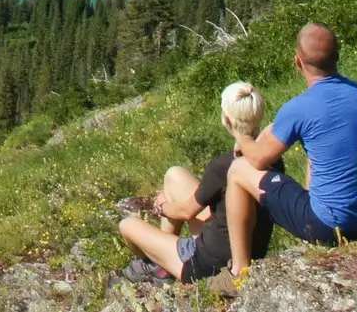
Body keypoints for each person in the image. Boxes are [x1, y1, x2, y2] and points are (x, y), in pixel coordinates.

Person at [215, 22, 357, 293]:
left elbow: (259, 160)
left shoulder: (299, 107)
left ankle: (238, 272)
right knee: (317, 153)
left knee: (238, 170)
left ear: (298, 61)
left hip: (330, 226)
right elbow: (314, 129)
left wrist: (243, 137)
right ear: (336, 57)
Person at [117, 82, 275, 284]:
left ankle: (160, 265)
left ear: (226, 119)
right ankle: (162, 265)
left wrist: (163, 207)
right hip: (247, 249)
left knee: (127, 225)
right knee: (174, 175)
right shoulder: (271, 159)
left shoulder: (222, 167)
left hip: (207, 261)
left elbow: (185, 212)